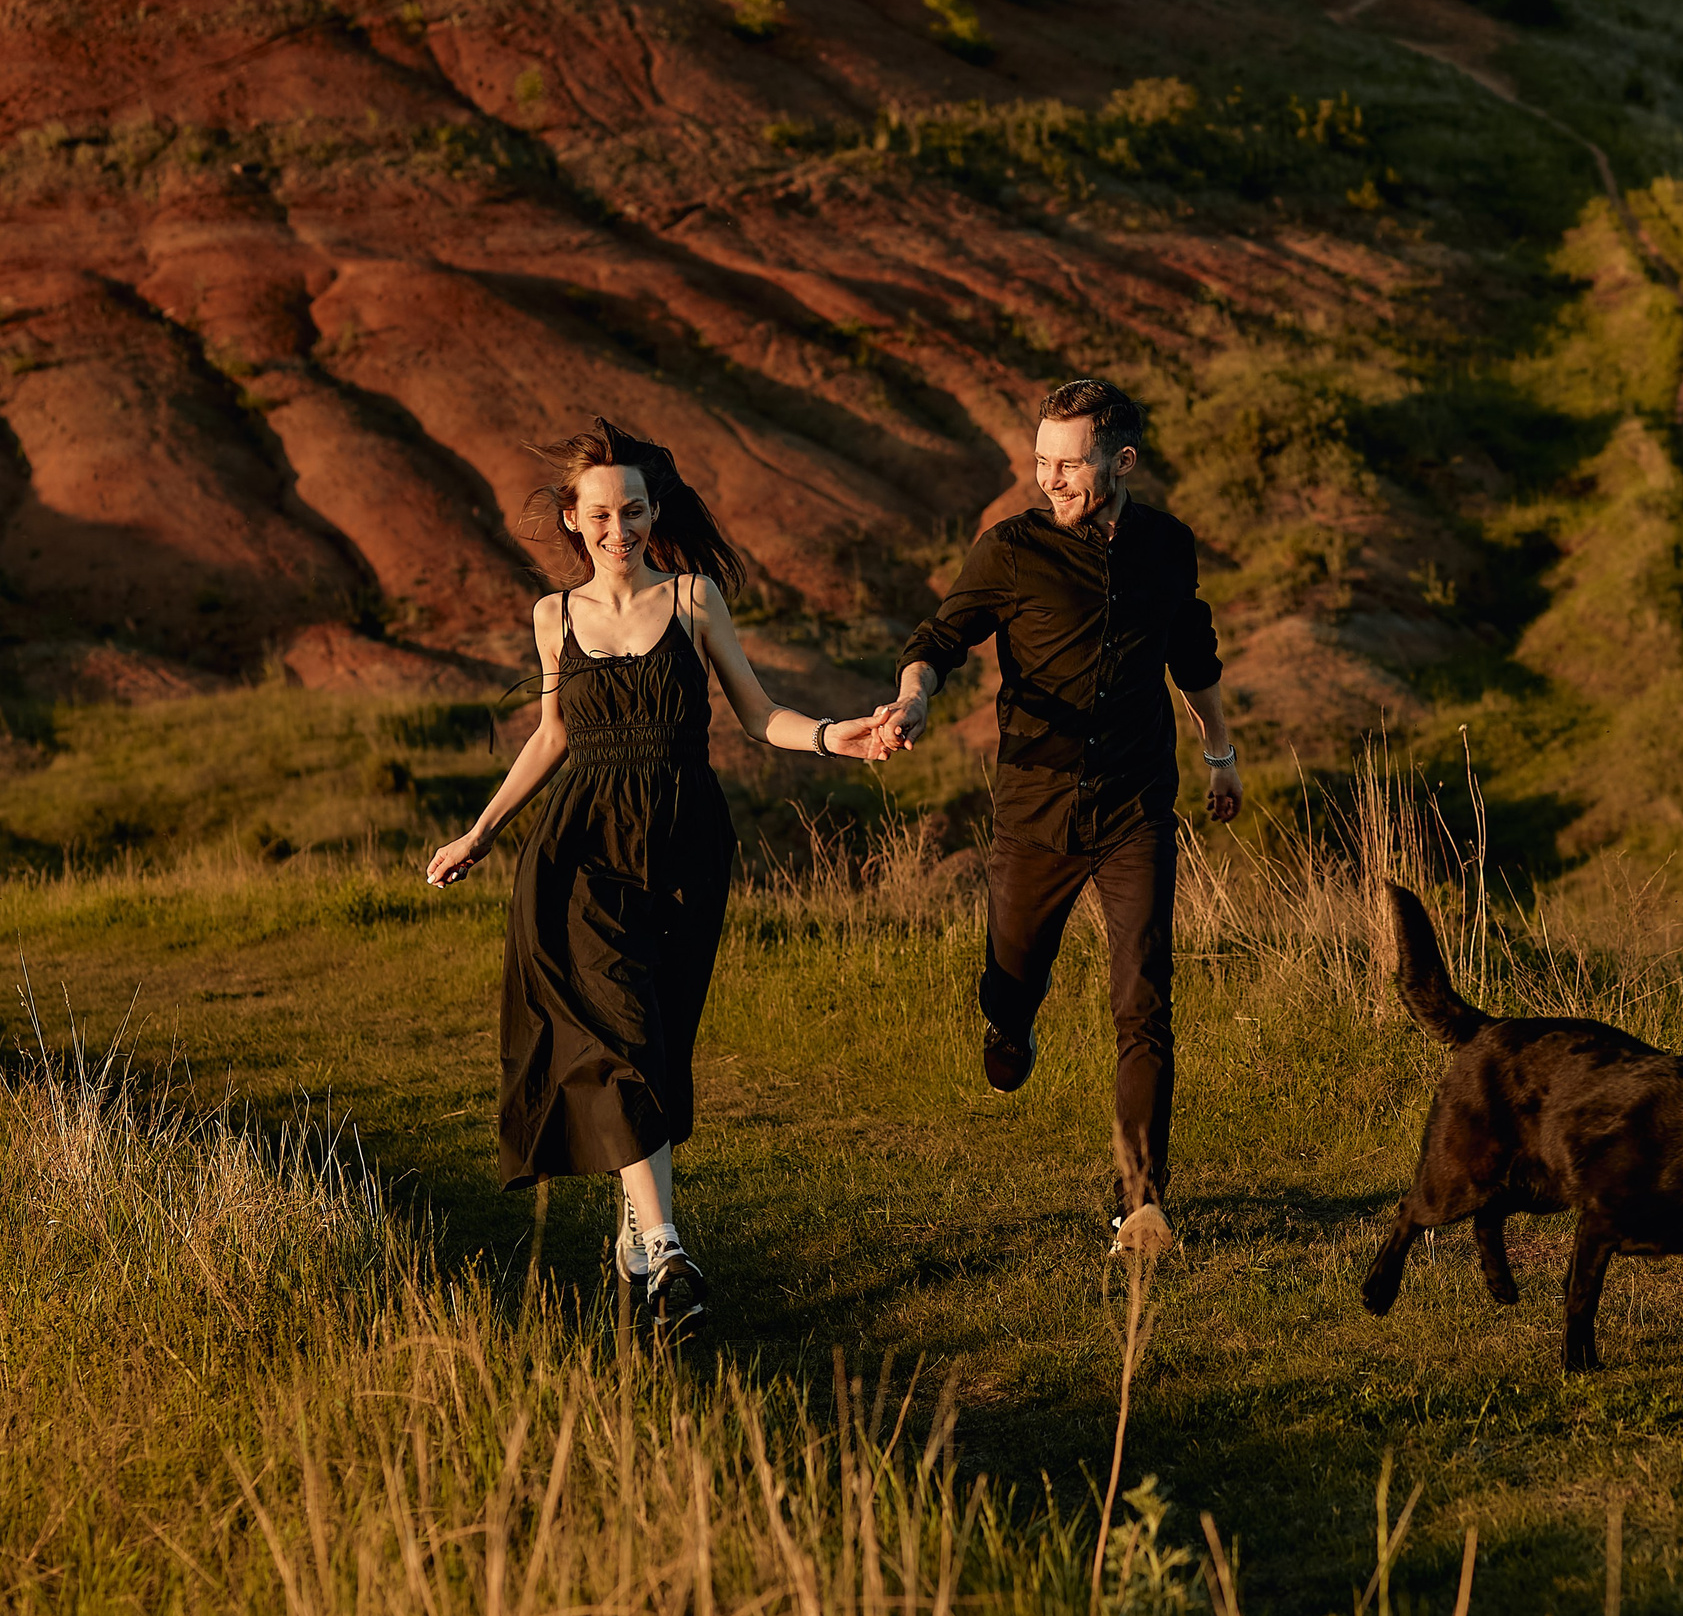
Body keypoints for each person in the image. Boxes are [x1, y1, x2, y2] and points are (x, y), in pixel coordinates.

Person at [425, 418, 881, 1339]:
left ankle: (639, 1227)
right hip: (580, 848)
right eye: (599, 513)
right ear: (572, 518)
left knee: (659, 1043)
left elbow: (758, 714)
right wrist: (481, 831)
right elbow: (553, 735)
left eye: (632, 510)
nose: (618, 528)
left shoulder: (694, 598)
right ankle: (670, 1251)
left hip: (684, 845)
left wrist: (839, 735)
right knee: (621, 1030)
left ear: (652, 511)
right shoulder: (554, 617)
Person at [871, 379, 1240, 1256]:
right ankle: (1011, 1022)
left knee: (1145, 999)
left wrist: (1220, 754)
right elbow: (939, 639)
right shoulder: (1010, 551)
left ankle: (1140, 1204)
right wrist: (913, 700)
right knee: (1010, 988)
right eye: (1042, 461)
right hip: (1035, 807)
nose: (1051, 479)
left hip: (1136, 806)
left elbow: (1192, 655)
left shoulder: (1168, 547)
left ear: (1122, 461)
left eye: (1068, 464)